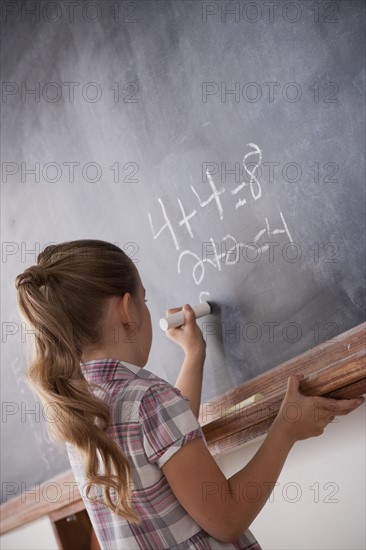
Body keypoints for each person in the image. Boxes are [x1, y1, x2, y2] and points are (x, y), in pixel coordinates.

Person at [15, 239, 364, 550]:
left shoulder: (80, 407)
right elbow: (227, 519)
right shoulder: (148, 399)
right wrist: (286, 430)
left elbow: (168, 444)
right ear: (126, 309)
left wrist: (193, 356)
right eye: (144, 299)